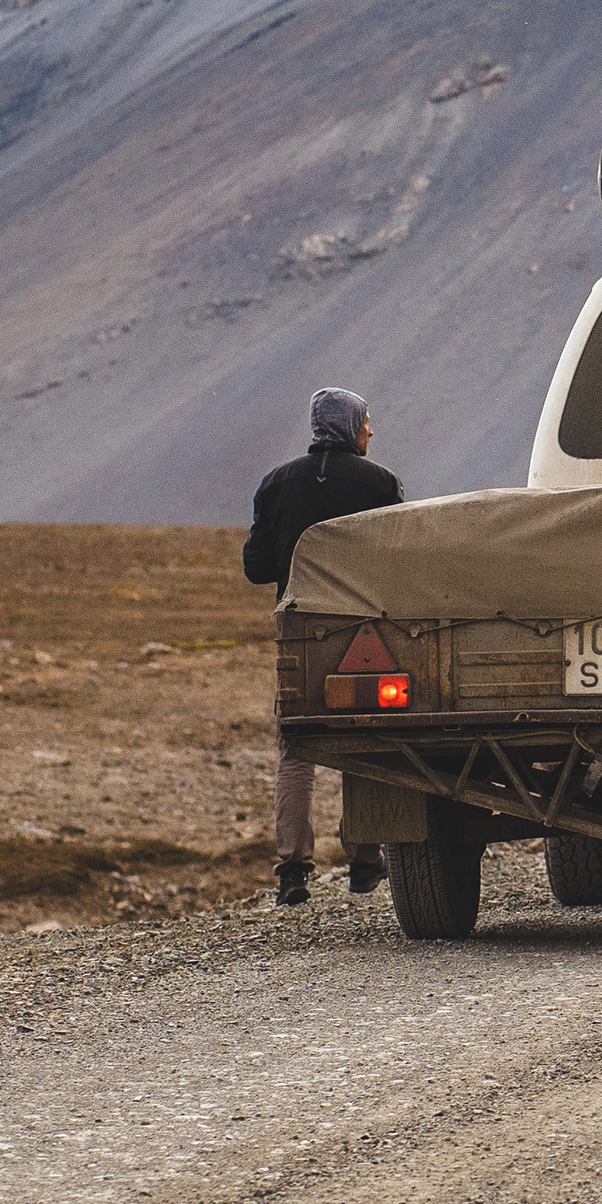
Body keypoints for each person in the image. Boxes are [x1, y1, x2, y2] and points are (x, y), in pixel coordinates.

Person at [244, 386, 405, 905]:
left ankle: (293, 872)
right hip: (363, 631)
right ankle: (364, 860)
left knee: (296, 747)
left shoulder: (275, 484)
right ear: (350, 426)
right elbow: (399, 558)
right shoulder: (379, 483)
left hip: (298, 630)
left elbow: (256, 568)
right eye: (365, 421)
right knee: (365, 739)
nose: (371, 430)